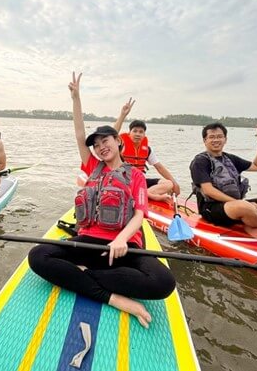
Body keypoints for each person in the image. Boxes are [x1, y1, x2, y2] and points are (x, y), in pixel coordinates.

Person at [28, 72, 176, 329]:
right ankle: (112, 298)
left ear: (118, 141)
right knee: (38, 256)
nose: (100, 147)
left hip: (123, 247)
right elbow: (78, 133)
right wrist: (76, 97)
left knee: (164, 282)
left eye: (105, 141)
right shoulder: (92, 166)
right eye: (96, 145)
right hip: (88, 243)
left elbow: (140, 214)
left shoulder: (136, 176)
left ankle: (82, 275)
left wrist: (121, 239)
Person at [113, 97, 180, 202]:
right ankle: (151, 195)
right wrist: (123, 115)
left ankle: (145, 194)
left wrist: (174, 183)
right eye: (135, 131)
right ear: (129, 133)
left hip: (139, 181)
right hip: (123, 181)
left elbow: (159, 167)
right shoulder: (121, 145)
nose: (138, 134)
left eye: (141, 132)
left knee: (168, 183)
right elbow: (112, 135)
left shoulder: (147, 149)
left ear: (144, 135)